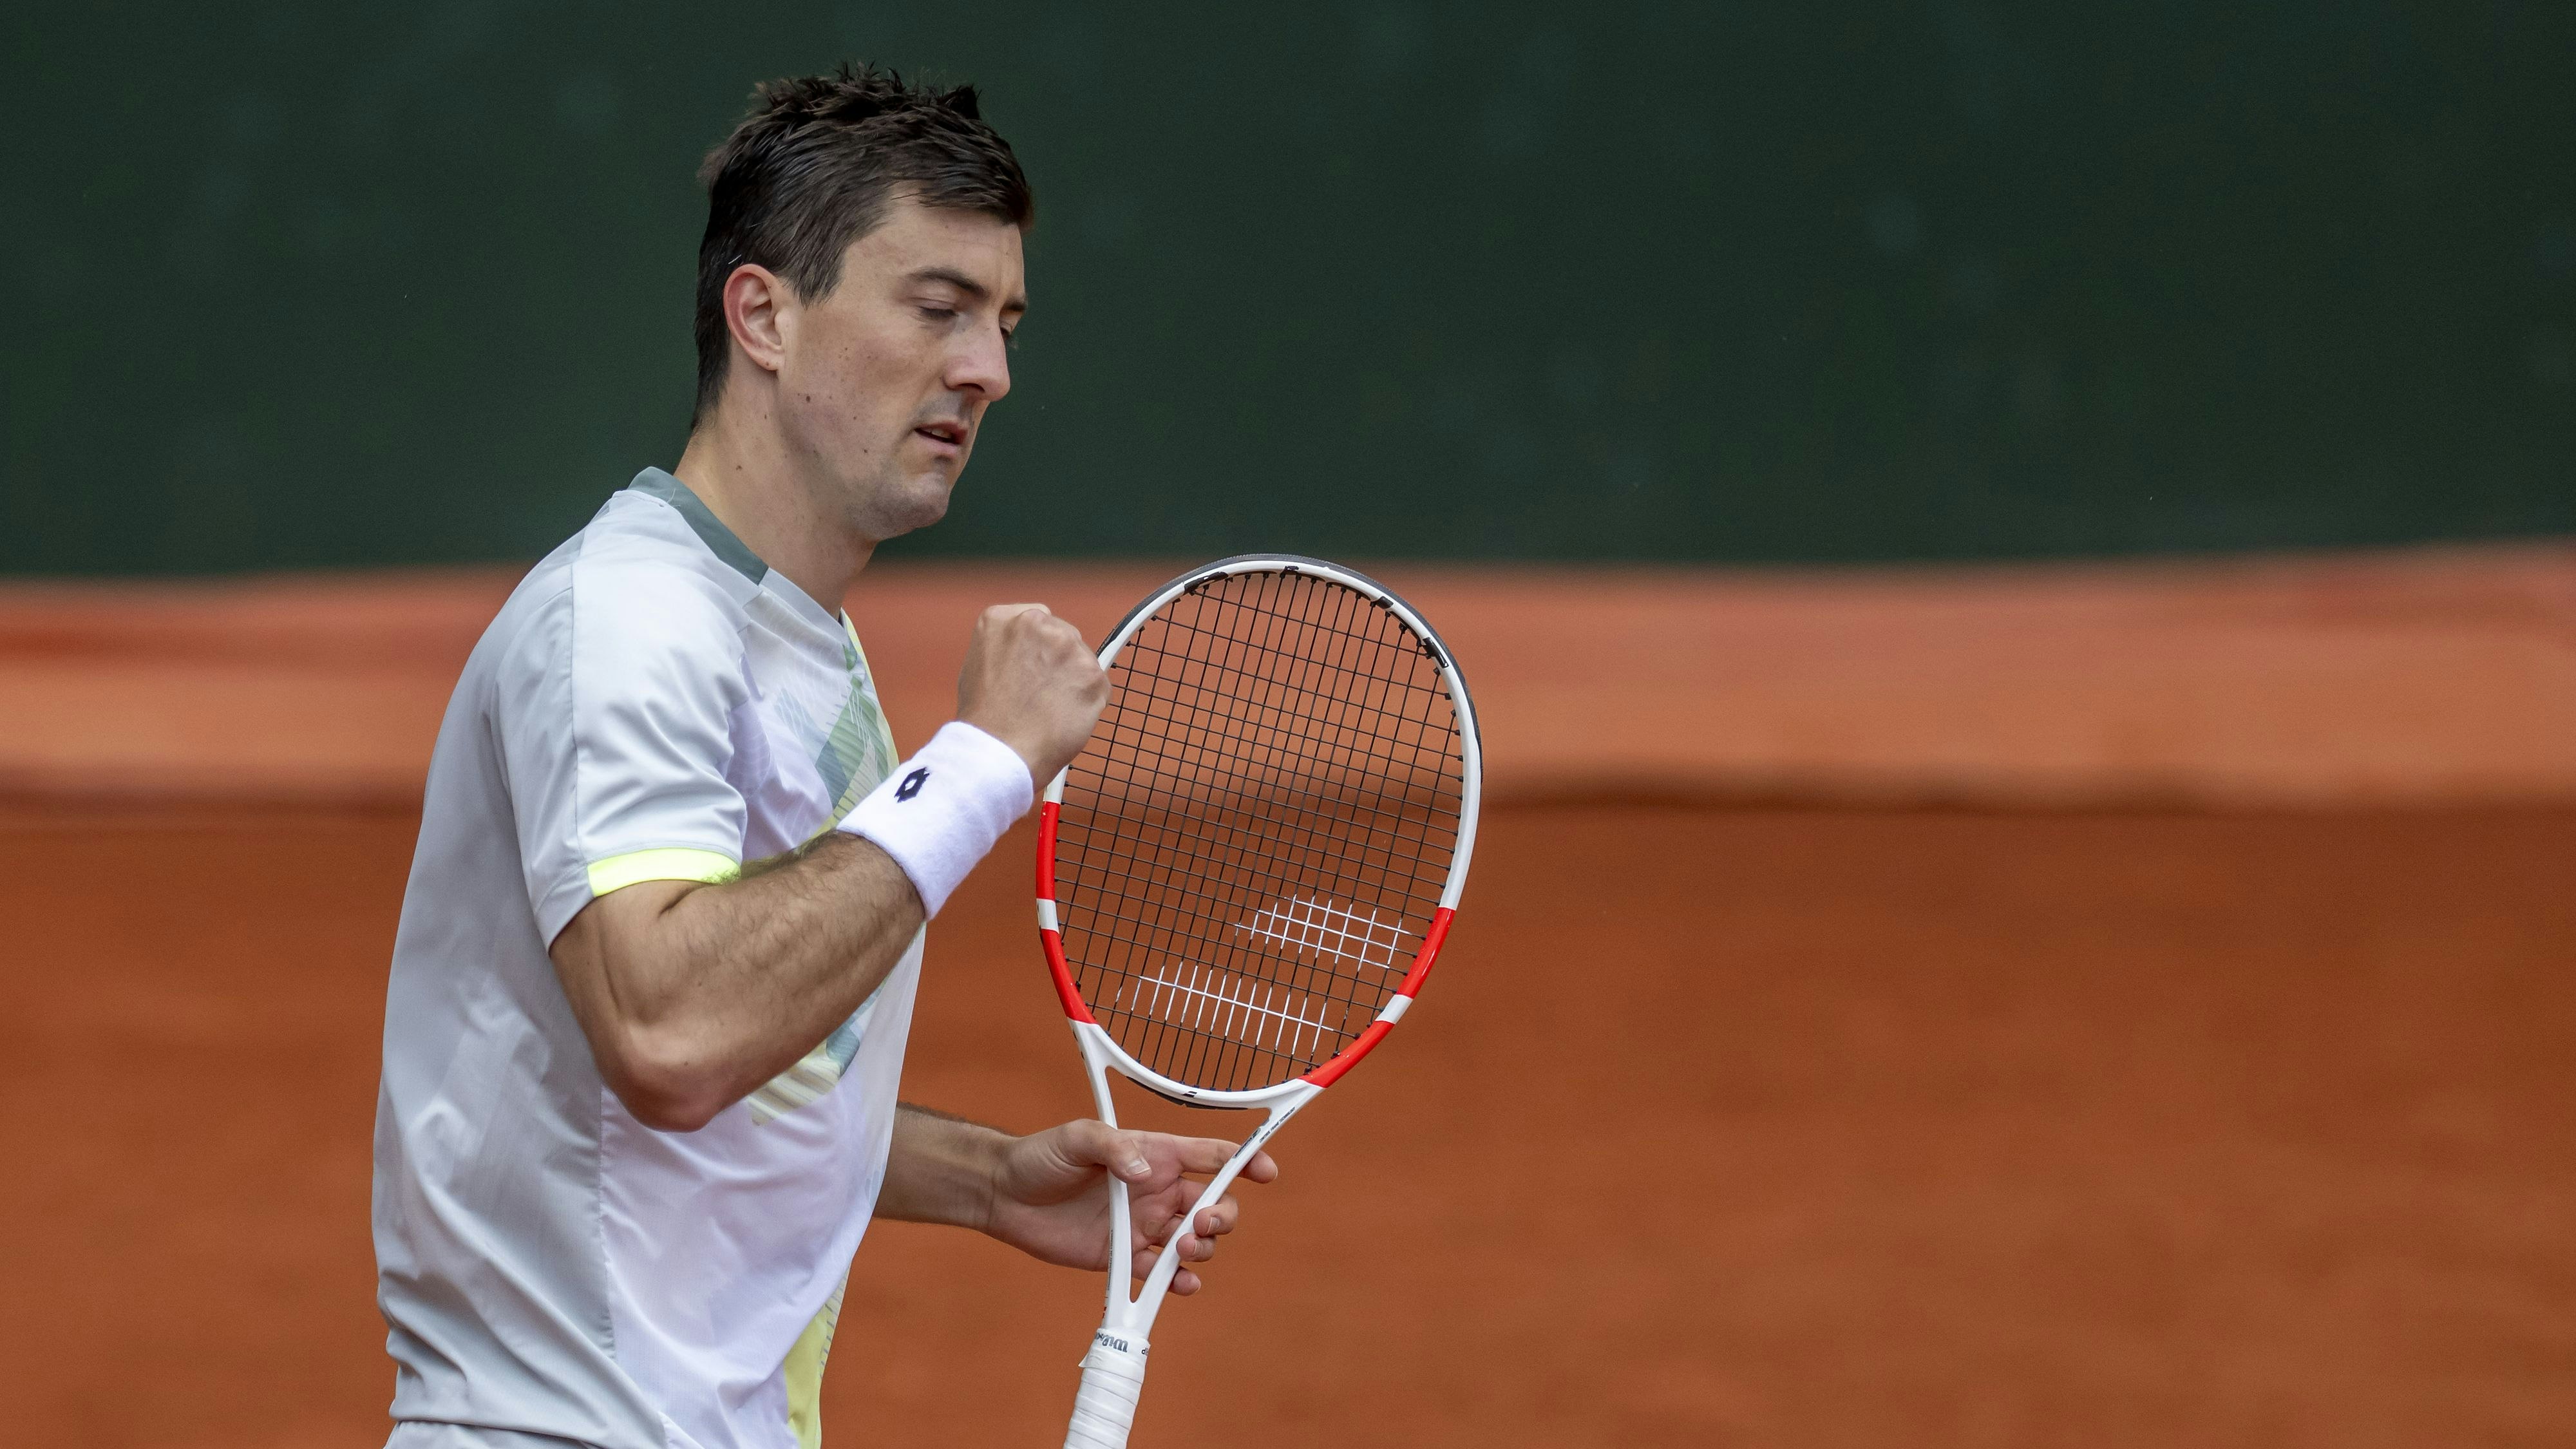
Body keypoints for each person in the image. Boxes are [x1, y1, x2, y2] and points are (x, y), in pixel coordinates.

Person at [371, 64, 1276, 1449]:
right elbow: (671, 1036)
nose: (988, 370)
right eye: (937, 310)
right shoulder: (625, 619)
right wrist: (977, 763)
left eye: (1004, 322)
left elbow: (746, 1072)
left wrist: (984, 1179)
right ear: (764, 316)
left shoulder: (802, 646)